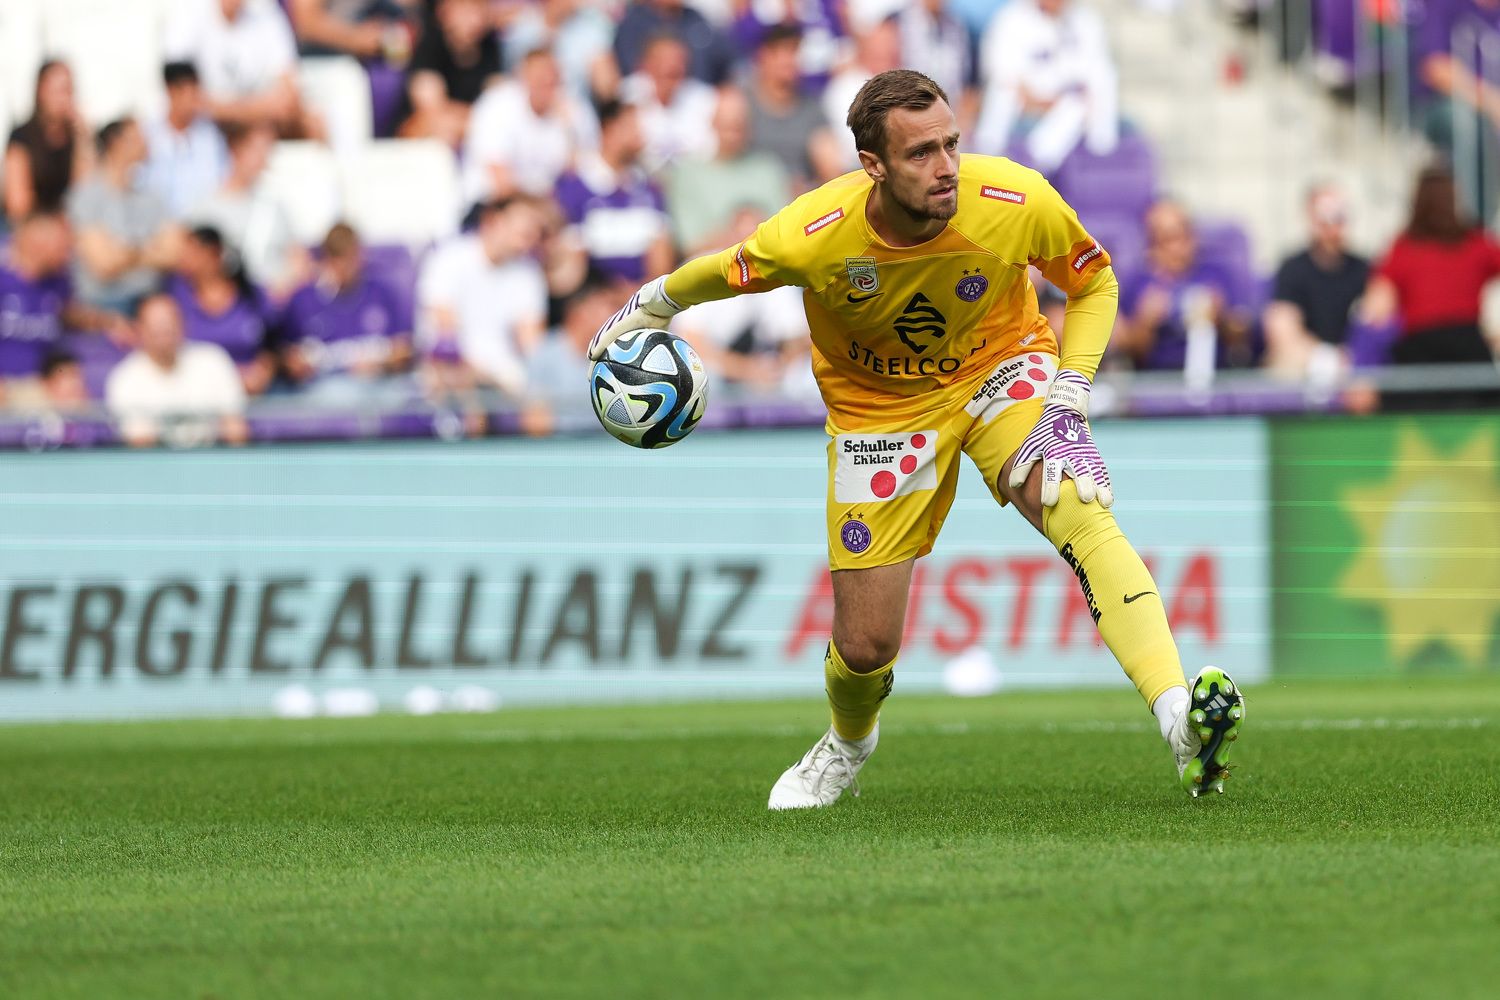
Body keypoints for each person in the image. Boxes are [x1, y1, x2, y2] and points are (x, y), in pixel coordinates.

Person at [588, 69, 1246, 807]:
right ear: (873, 165)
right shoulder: (814, 234)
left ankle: (1178, 718)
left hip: (1000, 368)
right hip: (880, 412)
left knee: (1075, 501)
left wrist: (1070, 393)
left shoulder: (1013, 200)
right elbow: (733, 270)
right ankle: (846, 743)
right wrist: (649, 305)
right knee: (866, 647)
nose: (947, 168)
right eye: (922, 154)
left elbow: (1095, 282)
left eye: (952, 144)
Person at [1360, 166, 1500, 371]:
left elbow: (1376, 308)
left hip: (1418, 352)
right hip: (1467, 349)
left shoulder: (1403, 247)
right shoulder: (1475, 243)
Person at [416, 196, 548, 398]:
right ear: (492, 221)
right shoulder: (448, 258)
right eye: (522, 230)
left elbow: (531, 345)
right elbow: (446, 334)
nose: (528, 239)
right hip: (452, 371)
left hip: (506, 376)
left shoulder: (528, 273)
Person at [0, 213, 131, 409]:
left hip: (44, 386)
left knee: (81, 406)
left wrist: (109, 322)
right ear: (38, 244)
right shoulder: (4, 280)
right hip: (8, 387)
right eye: (61, 246)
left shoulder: (57, 283)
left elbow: (70, 313)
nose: (68, 254)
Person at [973, 0, 1119, 173]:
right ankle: (986, 156)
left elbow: (1095, 71)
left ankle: (1038, 164)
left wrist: (1065, 99)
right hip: (1025, 99)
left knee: (1084, 100)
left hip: (1066, 101)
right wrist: (1037, 101)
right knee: (1002, 92)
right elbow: (1001, 70)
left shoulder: (1085, 20)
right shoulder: (1012, 17)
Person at [1116, 200, 1257, 375]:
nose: (1177, 248)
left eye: (1183, 236)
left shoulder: (1217, 275)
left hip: (1215, 377)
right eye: (1166, 239)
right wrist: (1145, 323)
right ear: (1151, 246)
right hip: (1156, 381)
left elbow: (1243, 338)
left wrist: (1221, 318)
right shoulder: (1138, 283)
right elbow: (1127, 350)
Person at [282, 222, 414, 406]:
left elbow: (404, 348)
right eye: (338, 259)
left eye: (350, 258)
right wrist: (304, 364)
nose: (345, 267)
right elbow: (286, 358)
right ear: (327, 259)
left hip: (379, 386)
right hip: (324, 389)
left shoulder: (381, 293)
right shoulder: (303, 300)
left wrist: (380, 363)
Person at [68, 119, 184, 314]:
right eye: (138, 137)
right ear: (117, 142)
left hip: (150, 306)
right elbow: (103, 264)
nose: (147, 142)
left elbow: (174, 254)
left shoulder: (153, 197)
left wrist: (124, 251)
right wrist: (149, 248)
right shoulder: (85, 197)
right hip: (103, 310)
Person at [552, 99, 674, 285]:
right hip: (594, 297)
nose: (640, 136)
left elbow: (661, 256)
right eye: (632, 127)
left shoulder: (649, 187)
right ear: (609, 129)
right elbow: (571, 263)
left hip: (642, 300)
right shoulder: (575, 185)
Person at [106, 292, 248, 449]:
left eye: (169, 323)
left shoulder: (213, 361)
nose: (164, 331)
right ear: (140, 329)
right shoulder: (125, 379)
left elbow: (235, 429)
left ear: (182, 325)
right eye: (156, 326)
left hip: (212, 461)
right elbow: (141, 445)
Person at [461, 47, 597, 209]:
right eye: (540, 78)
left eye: (553, 78)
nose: (547, 83)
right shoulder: (497, 106)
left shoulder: (572, 111)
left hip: (547, 209)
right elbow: (500, 180)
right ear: (522, 77)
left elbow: (582, 173)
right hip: (492, 205)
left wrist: (569, 131)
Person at [163, 0, 322, 139]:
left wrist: (231, 112)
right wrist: (257, 110)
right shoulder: (188, 13)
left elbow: (289, 94)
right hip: (209, 125)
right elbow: (182, 96)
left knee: (314, 125)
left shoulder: (265, 12)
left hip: (254, 123)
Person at [1262, 184, 1370, 385]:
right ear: (1311, 219)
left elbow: (1376, 324)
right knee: (1285, 364)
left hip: (1353, 367)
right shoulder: (1293, 269)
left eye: (1338, 218)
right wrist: (1327, 359)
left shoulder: (1364, 270)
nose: (1332, 228)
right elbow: (1282, 328)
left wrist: (1352, 359)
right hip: (1308, 366)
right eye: (1324, 219)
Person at [190, 123, 308, 300]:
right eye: (257, 150)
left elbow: (300, 260)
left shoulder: (274, 206)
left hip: (277, 308)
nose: (263, 159)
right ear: (236, 150)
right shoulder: (205, 209)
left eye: (267, 151)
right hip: (231, 312)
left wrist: (281, 291)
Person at [666, 88, 790, 256]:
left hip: (766, 261)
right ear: (712, 123)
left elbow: (786, 233)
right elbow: (689, 245)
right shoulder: (689, 173)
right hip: (712, 265)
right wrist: (738, 234)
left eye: (739, 124)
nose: (733, 131)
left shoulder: (769, 168)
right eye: (727, 124)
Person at [168, 225, 277, 396]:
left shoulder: (252, 295)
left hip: (253, 394)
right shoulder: (175, 294)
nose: (184, 258)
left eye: (193, 252)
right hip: (196, 394)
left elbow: (274, 343)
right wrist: (228, 377)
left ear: (214, 253)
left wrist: (263, 371)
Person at [398, 0, 502, 146]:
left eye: (479, 10)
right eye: (466, 11)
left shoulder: (490, 47)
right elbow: (431, 109)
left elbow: (498, 104)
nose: (474, 19)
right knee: (440, 131)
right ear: (445, 12)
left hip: (469, 130)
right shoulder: (430, 46)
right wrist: (480, 119)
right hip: (422, 138)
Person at [4, 61, 92, 223]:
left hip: (66, 225)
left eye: (67, 90)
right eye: (57, 90)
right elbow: (18, 205)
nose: (63, 98)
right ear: (40, 91)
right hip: (32, 225)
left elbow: (85, 192)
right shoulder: (21, 137)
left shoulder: (74, 138)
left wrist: (83, 139)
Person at [143, 62, 231, 220]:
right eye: (188, 93)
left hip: (203, 225)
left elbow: (222, 183)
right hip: (157, 227)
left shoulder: (211, 137)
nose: (194, 102)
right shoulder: (147, 135)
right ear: (171, 92)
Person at [620, 33, 719, 173]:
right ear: (644, 64)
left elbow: (713, 152)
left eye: (678, 61)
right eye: (663, 60)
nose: (671, 67)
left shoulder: (704, 99)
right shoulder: (627, 97)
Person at [504, 0, 619, 102]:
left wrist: (604, 77)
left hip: (570, 109)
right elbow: (513, 77)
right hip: (529, 109)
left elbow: (607, 90)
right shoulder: (524, 25)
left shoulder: (589, 30)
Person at [612, 0, 736, 86]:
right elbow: (633, 74)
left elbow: (730, 62)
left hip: (696, 102)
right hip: (654, 105)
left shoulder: (695, 18)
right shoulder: (633, 24)